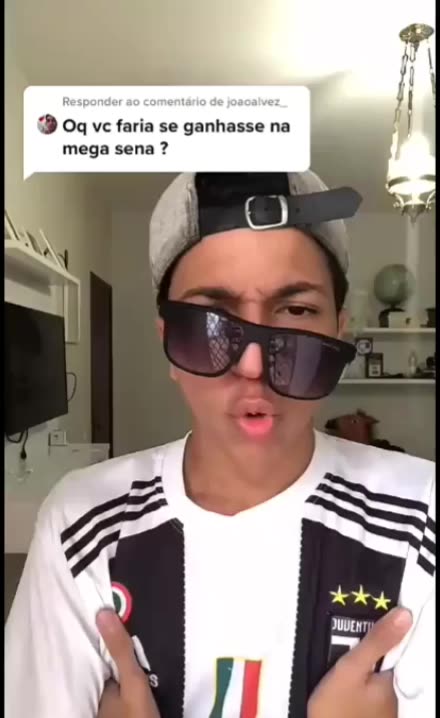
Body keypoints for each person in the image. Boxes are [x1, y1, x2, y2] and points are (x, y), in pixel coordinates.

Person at [5, 172, 435, 718]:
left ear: (338, 333)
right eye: (212, 321)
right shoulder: (82, 527)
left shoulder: (422, 519)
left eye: (296, 312)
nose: (252, 366)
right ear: (169, 344)